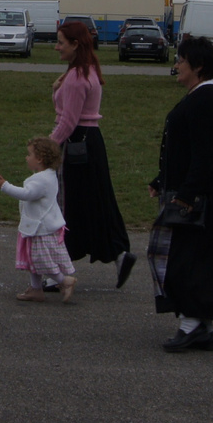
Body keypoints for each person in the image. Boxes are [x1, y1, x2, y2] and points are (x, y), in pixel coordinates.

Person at [148, 34, 213, 353]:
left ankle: (191, 327)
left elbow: (206, 155)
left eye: (181, 61)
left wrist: (187, 195)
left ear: (199, 66)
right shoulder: (199, 96)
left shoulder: (207, 99)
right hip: (188, 193)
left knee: (185, 264)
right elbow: (185, 149)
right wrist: (161, 180)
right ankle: (201, 328)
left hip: (198, 200)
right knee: (190, 262)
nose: (176, 65)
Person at [44, 20, 136, 293]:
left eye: (61, 42)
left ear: (75, 44)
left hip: (77, 145)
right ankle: (117, 254)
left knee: (66, 207)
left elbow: (68, 121)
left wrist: (47, 150)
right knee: (94, 203)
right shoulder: (87, 70)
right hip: (90, 143)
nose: (56, 47)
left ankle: (58, 271)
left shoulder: (76, 77)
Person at [0, 136, 76, 303]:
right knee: (33, 259)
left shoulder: (41, 180)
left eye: (29, 155)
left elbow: (27, 194)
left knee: (40, 260)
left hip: (40, 229)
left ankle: (63, 281)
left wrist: (5, 186)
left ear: (39, 159)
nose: (26, 158)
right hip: (36, 227)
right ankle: (36, 289)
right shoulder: (48, 176)